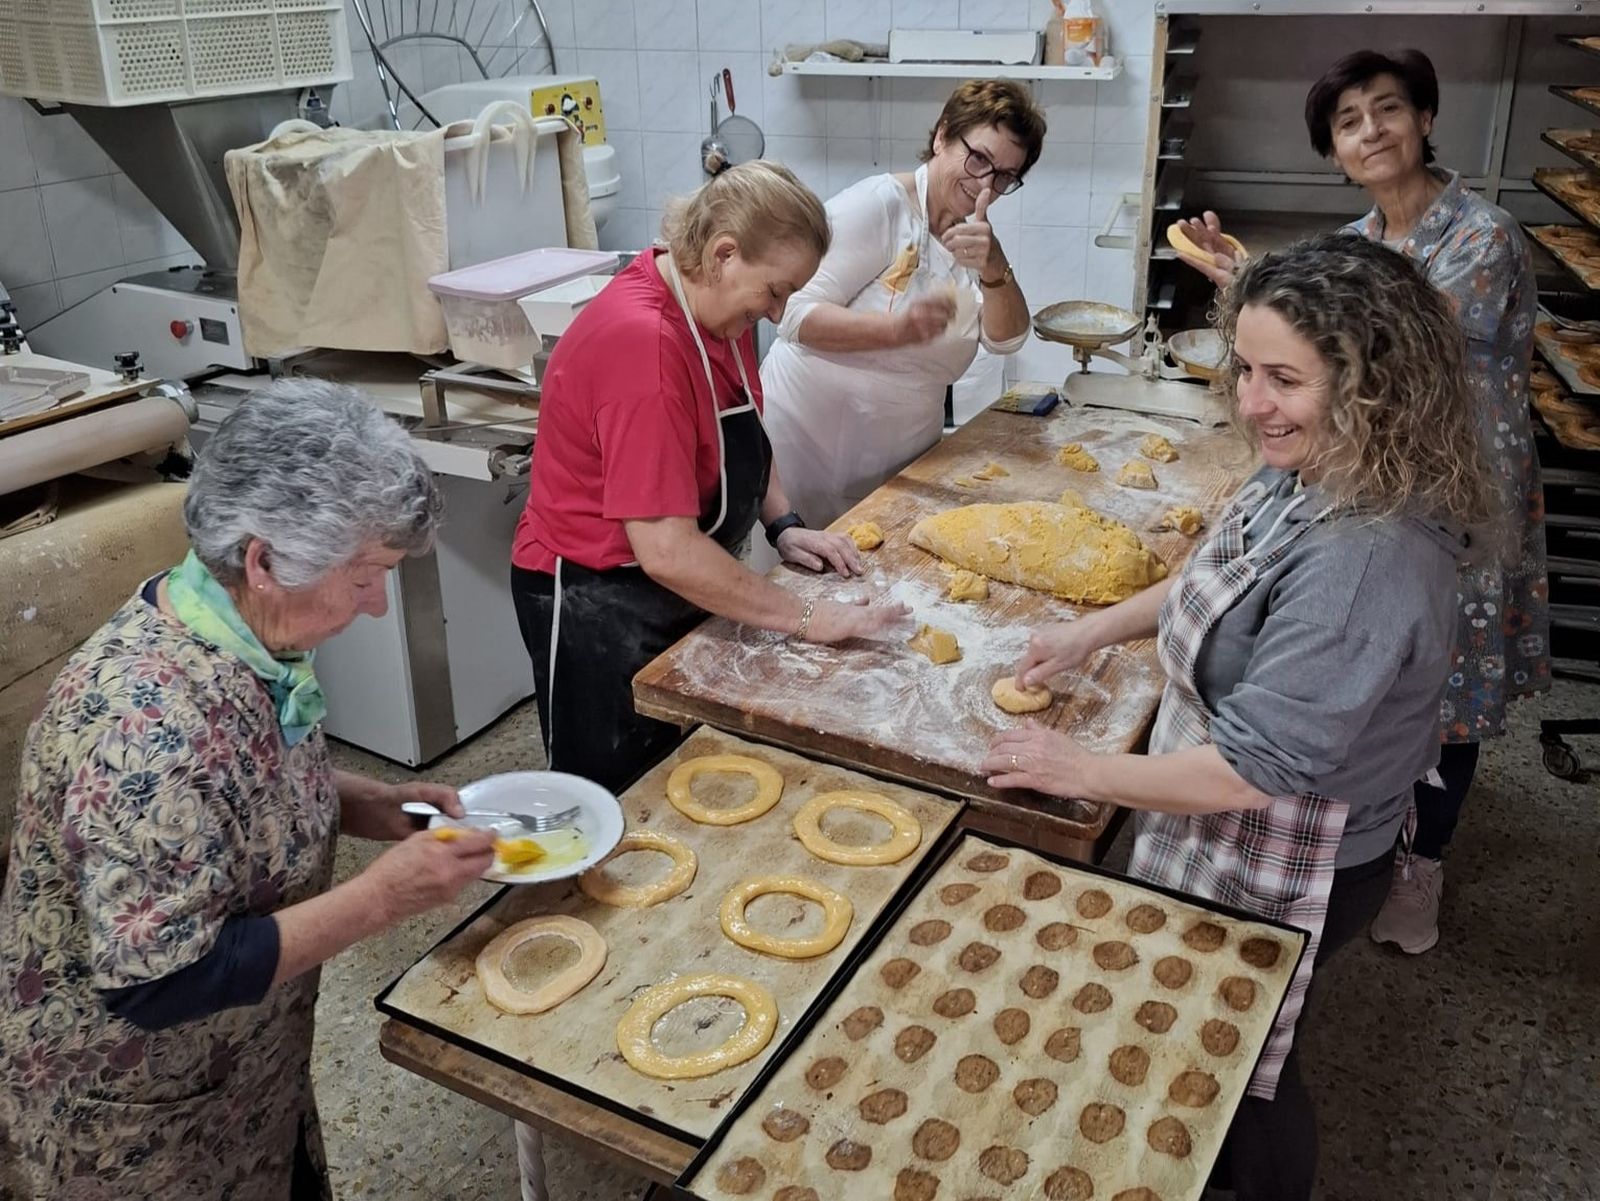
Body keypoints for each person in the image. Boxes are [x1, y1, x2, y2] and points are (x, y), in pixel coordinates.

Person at [982, 234, 1494, 1201]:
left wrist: (1079, 768)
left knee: (1237, 1063)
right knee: (1195, 1028)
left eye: (1285, 379)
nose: (1251, 402)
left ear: (1372, 384)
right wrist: (1093, 632)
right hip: (1218, 812)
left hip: (1286, 848)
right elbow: (1213, 576)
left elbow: (1253, 768)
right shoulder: (1317, 467)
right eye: (1246, 369)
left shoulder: (1366, 560)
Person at [0, 381, 497, 1200]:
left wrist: (376, 804)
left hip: (247, 1072)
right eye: (367, 573)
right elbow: (159, 979)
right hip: (142, 1123)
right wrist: (383, 899)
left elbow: (239, 785)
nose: (377, 605)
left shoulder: (227, 629)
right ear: (264, 560)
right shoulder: (140, 723)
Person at [1171, 48, 1549, 954]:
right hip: (1369, 481)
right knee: (1382, 688)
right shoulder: (1352, 242)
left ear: (1424, 118)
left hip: (1458, 492)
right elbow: (1320, 330)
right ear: (1333, 150)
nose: (1370, 131)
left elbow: (1395, 331)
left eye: (1387, 110)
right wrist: (1247, 282)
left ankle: (1419, 871)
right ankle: (1376, 820)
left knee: (1448, 690)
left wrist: (1268, 282)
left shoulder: (1483, 235)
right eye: (1348, 122)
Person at [509, 160, 910, 796]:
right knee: (615, 795)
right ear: (724, 253)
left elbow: (742, 421)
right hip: (595, 598)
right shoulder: (646, 348)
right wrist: (808, 616)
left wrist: (781, 522)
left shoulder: (714, 306)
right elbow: (666, 548)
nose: (778, 312)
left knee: (684, 779)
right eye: (775, 291)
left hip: (673, 578)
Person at [751, 80, 1044, 570]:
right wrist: (893, 331)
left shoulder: (973, 235)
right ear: (942, 137)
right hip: (804, 455)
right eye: (978, 160)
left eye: (1005, 177)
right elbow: (792, 314)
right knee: (788, 603)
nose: (986, 185)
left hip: (896, 466)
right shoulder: (880, 206)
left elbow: (1007, 337)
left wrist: (996, 267)